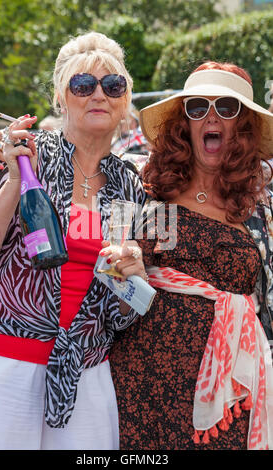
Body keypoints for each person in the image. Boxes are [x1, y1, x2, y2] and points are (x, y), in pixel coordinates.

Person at [0, 31, 147, 450]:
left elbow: (121, 314)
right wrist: (15, 183)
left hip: (87, 372)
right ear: (61, 96)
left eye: (112, 85)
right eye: (83, 85)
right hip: (5, 364)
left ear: (125, 100)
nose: (98, 95)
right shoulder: (19, 155)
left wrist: (134, 278)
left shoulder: (131, 186)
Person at [108, 61, 273, 450]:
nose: (211, 116)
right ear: (185, 122)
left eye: (226, 108)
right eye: (198, 106)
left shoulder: (260, 210)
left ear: (244, 124)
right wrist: (123, 259)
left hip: (229, 392)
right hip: (142, 380)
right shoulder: (147, 188)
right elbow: (108, 258)